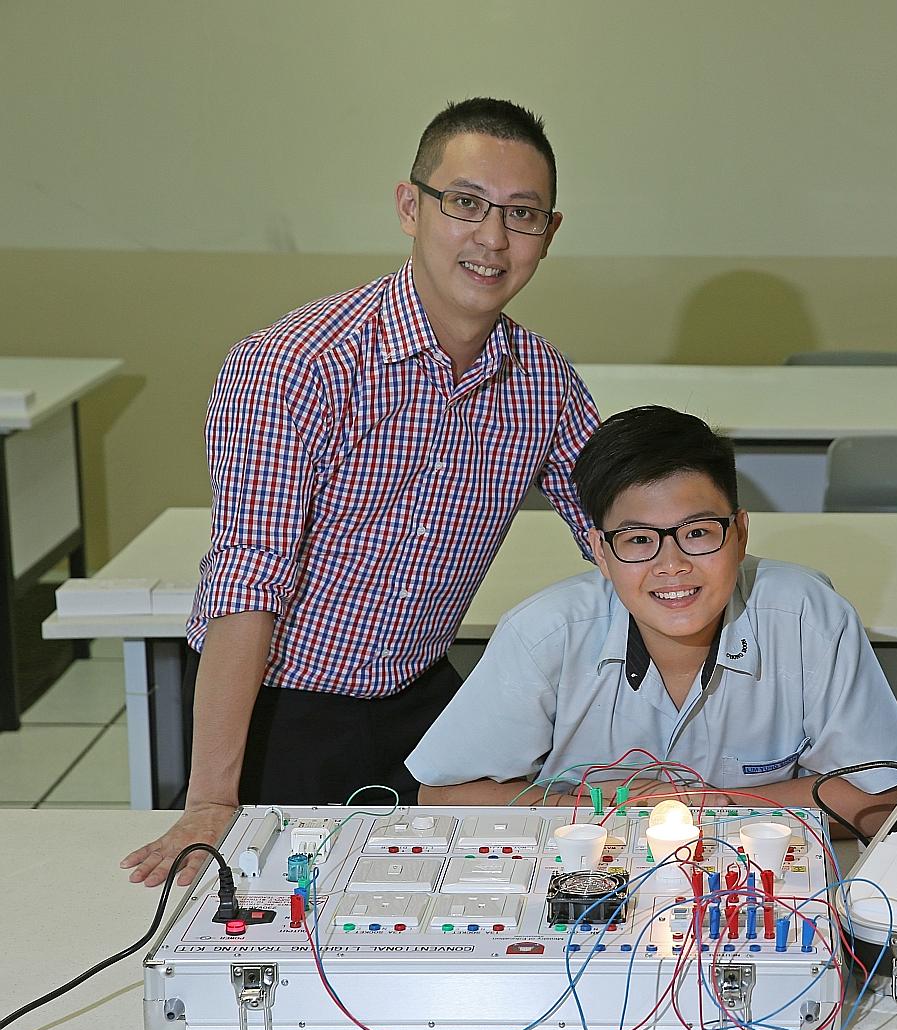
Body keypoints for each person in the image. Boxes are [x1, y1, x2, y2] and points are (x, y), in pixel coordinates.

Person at [122, 98, 600, 888]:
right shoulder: (295, 366)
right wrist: (212, 798)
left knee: (483, 910)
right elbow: (248, 579)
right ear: (411, 207)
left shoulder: (542, 380)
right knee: (281, 929)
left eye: (522, 214)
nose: (492, 237)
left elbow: (622, 532)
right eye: (465, 203)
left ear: (550, 233)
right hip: (285, 712)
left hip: (426, 697)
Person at [408, 406, 897, 838]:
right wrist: (588, 810)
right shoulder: (546, 633)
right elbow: (442, 794)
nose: (671, 565)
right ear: (600, 554)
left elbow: (886, 797)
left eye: (697, 533)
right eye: (637, 540)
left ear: (741, 535)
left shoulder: (810, 618)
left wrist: (710, 805)